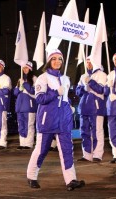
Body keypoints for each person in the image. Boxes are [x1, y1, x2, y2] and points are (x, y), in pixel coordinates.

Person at [26, 49, 85, 191]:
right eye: (54, 59)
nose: (57, 61)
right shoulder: (43, 78)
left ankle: (70, 180)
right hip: (48, 119)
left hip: (63, 119)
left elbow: (65, 97)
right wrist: (55, 92)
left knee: (67, 149)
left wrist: (69, 105)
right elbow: (40, 98)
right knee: (42, 149)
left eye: (60, 59)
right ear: (49, 61)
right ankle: (31, 176)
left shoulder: (65, 79)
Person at [75, 55, 107, 162]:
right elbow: (77, 92)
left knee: (97, 131)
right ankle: (87, 155)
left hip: (96, 108)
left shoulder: (102, 75)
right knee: (84, 131)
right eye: (87, 62)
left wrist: (90, 82)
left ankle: (97, 155)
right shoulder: (83, 75)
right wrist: (84, 87)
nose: (88, 64)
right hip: (84, 107)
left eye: (90, 61)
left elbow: (101, 90)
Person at [13, 61, 37, 150]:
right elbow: (15, 93)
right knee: (21, 125)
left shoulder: (34, 78)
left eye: (26, 68)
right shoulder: (20, 79)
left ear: (30, 68)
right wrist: (19, 87)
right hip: (20, 106)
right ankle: (22, 143)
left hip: (29, 106)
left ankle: (29, 143)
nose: (24, 70)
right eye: (23, 68)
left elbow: (33, 91)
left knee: (29, 125)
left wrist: (25, 84)